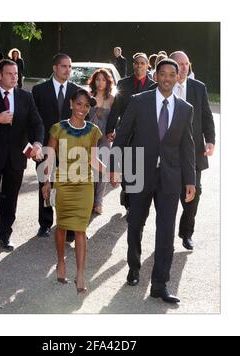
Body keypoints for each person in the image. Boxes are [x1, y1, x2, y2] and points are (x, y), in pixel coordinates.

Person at [110, 59, 196, 303]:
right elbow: (123, 135)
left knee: (166, 230)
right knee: (136, 223)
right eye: (163, 74)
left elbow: (187, 146)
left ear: (178, 78)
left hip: (170, 177)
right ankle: (134, 268)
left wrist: (190, 181)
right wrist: (116, 166)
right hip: (139, 172)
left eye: (172, 74)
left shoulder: (185, 108)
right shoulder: (139, 102)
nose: (167, 78)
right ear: (156, 76)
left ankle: (160, 284)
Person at [0, 59, 44, 253]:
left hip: (16, 157)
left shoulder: (25, 97)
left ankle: (5, 236)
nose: (14, 77)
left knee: (10, 199)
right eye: (10, 74)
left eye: (16, 74)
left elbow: (37, 124)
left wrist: (37, 143)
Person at [42, 89, 104, 294]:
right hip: (63, 184)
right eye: (79, 104)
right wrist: (47, 182)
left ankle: (80, 273)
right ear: (71, 104)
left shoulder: (94, 130)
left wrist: (111, 172)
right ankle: (61, 262)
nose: (82, 109)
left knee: (80, 229)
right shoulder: (57, 129)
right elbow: (49, 158)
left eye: (86, 106)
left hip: (85, 185)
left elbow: (93, 160)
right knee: (61, 226)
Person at [169, 51, 215, 250]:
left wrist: (210, 140)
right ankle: (165, 236)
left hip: (194, 151)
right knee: (168, 196)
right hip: (168, 152)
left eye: (186, 63)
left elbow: (206, 116)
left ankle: (186, 233)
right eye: (179, 64)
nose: (183, 67)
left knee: (194, 194)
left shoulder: (199, 88)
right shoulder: (163, 87)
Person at [32, 53, 80, 240]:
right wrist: (35, 144)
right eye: (64, 66)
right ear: (54, 68)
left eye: (70, 67)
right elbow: (34, 120)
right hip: (45, 146)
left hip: (70, 148)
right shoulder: (39, 90)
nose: (67, 70)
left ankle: (68, 226)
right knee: (46, 184)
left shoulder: (76, 91)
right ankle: (45, 224)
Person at [106, 52, 156, 211]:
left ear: (148, 66)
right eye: (136, 63)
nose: (139, 66)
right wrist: (110, 128)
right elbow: (116, 109)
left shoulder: (153, 85)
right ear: (133, 65)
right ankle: (126, 193)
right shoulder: (123, 83)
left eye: (142, 63)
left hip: (145, 134)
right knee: (127, 168)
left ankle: (133, 203)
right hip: (126, 133)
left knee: (139, 168)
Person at [88, 68, 115, 214]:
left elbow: (115, 119)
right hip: (89, 138)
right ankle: (89, 200)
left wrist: (114, 132)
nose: (100, 82)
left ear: (108, 81)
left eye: (103, 79)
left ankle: (98, 202)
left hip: (105, 137)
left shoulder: (112, 99)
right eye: (97, 79)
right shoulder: (88, 96)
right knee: (91, 170)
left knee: (102, 171)